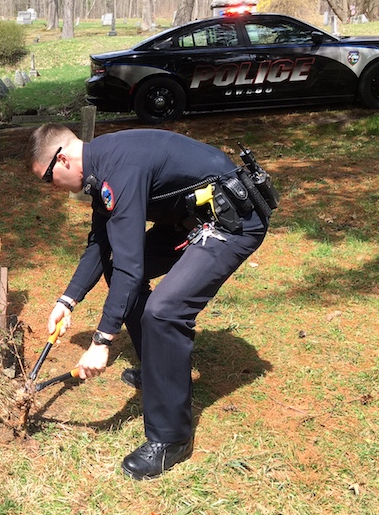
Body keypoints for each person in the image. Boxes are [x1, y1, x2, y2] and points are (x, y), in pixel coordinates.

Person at [29, 124, 269, 479]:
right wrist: (68, 300)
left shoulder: (119, 170)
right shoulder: (101, 166)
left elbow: (131, 265)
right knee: (119, 275)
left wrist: (102, 341)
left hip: (232, 220)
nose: (51, 188)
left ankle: (171, 438)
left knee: (164, 313)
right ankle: (160, 372)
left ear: (62, 159)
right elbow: (101, 244)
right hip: (191, 218)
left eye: (48, 178)